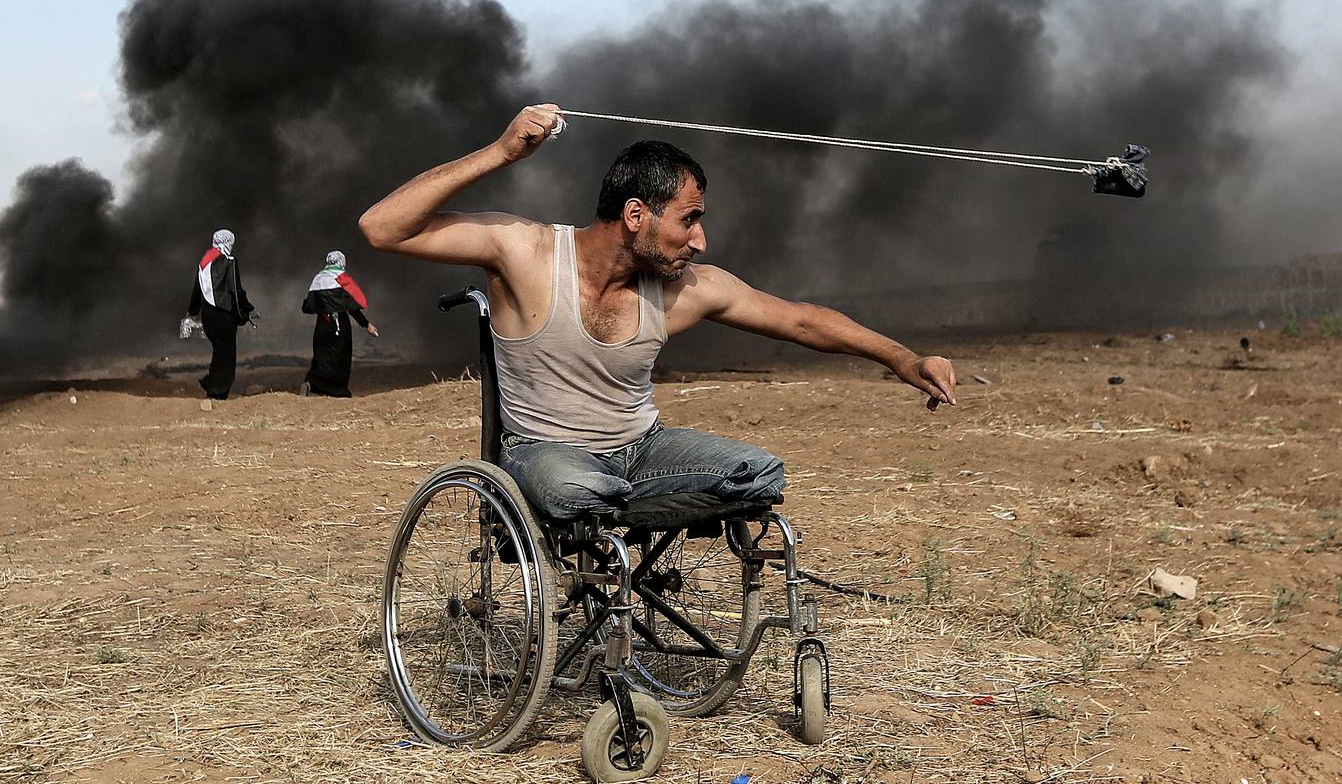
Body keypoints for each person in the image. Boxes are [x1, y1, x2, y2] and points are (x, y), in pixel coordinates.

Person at [358, 104, 956, 520]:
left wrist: (903, 358)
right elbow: (380, 227)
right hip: (545, 455)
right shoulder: (527, 252)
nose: (700, 241)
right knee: (578, 491)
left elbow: (800, 320)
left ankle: (632, 506)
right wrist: (500, 152)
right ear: (637, 214)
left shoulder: (683, 289)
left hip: (642, 450)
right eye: (689, 218)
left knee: (759, 474)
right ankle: (627, 508)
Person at [185, 229, 255, 400]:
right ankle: (217, 392)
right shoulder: (229, 261)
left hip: (208, 316)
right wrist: (247, 310)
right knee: (227, 355)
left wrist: (192, 313)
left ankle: (211, 382)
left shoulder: (204, 261)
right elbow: (236, 291)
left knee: (219, 351)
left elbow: (197, 290)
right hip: (224, 315)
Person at [300, 250, 379, 397]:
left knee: (321, 358)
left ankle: (312, 383)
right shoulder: (341, 279)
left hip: (321, 326)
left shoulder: (318, 278)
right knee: (340, 358)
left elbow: (308, 306)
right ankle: (339, 392)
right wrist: (366, 324)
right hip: (338, 326)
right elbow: (353, 306)